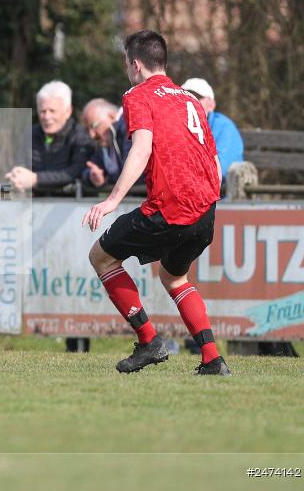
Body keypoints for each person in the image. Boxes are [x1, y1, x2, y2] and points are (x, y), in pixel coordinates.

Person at [81, 30, 231, 376]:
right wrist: (207, 200)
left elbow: (142, 147)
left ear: (135, 65)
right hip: (206, 209)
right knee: (174, 277)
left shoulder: (138, 95)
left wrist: (111, 201)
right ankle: (212, 358)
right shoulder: (190, 99)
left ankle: (149, 341)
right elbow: (214, 159)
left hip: (171, 207)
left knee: (101, 257)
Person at [7, 81, 93, 193]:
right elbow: (20, 164)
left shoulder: (81, 137)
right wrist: (16, 175)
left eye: (52, 111)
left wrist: (36, 179)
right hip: (34, 205)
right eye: (43, 111)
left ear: (68, 111)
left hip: (73, 205)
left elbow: (75, 172)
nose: (47, 117)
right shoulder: (31, 135)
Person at [181, 77, 244, 186]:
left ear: (212, 104)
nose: (190, 102)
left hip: (222, 195)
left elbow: (218, 170)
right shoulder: (176, 124)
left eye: (196, 98)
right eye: (185, 98)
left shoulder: (224, 127)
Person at [80, 98, 136, 188]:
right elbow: (91, 167)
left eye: (94, 126)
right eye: (88, 129)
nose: (92, 135)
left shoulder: (131, 125)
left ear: (112, 116)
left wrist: (108, 178)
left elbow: (134, 172)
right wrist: (92, 176)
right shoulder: (106, 141)